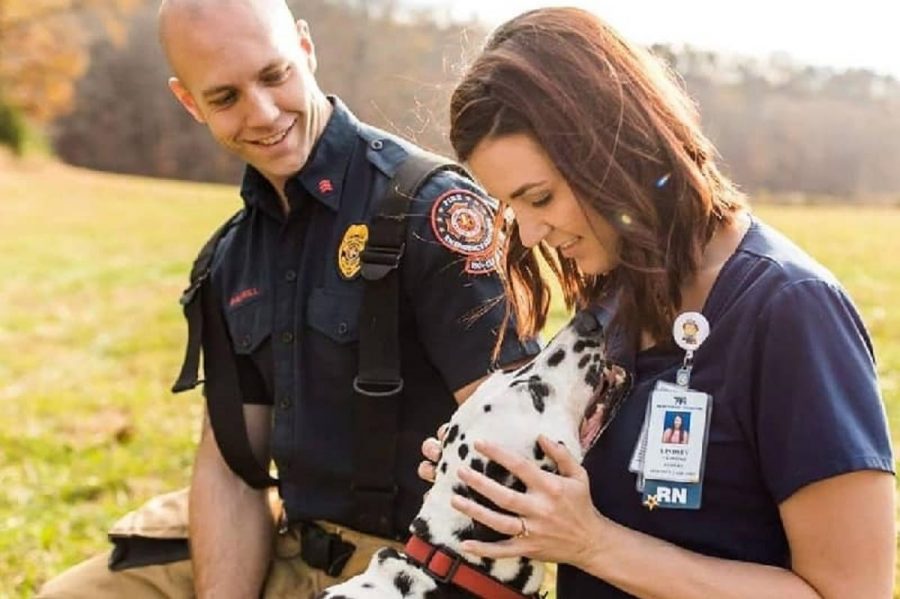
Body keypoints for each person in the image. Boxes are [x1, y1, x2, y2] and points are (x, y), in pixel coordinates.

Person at [37, 0, 538, 597]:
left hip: (417, 565)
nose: (264, 113)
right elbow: (232, 472)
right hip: (295, 548)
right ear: (189, 102)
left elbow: (512, 442)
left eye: (274, 76)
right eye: (224, 98)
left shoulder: (428, 209)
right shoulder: (231, 258)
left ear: (305, 48)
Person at [420, 7, 895, 598]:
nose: (530, 234)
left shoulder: (792, 311)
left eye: (539, 196)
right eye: (510, 207)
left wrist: (592, 543)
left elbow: (852, 593)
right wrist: (502, 469)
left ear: (614, 150)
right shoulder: (620, 297)